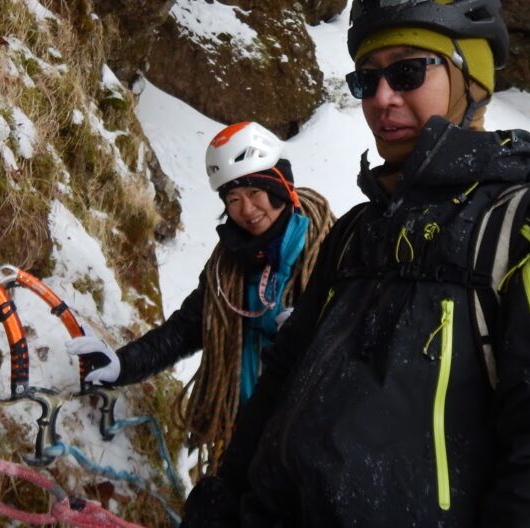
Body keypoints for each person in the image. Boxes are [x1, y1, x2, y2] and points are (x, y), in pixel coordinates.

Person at [183, 0, 530, 526]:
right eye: (367, 79)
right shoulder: (355, 234)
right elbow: (281, 386)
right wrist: (224, 496)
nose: (382, 98)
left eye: (409, 72)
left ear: (472, 77)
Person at [67, 121, 334, 474]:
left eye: (255, 192)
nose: (247, 210)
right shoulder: (228, 265)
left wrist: (315, 331)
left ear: (280, 186)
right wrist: (123, 365)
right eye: (233, 199)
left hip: (310, 441)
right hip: (242, 434)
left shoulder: (333, 249)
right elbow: (186, 328)